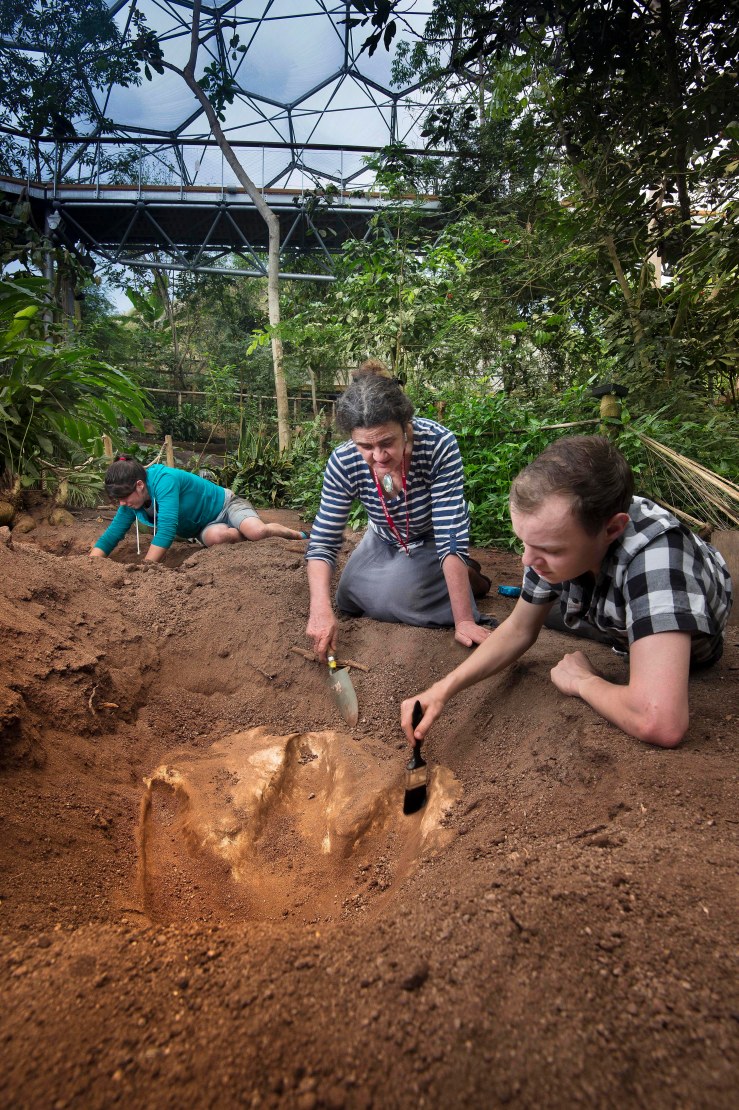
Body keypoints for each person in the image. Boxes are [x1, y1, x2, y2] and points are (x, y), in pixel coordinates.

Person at [401, 435, 733, 749]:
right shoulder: (559, 538)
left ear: (612, 529)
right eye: (524, 542)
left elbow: (660, 721)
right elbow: (518, 629)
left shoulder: (658, 560)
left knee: (569, 613)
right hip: (607, 605)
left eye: (550, 549)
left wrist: (582, 681)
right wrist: (441, 690)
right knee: (549, 611)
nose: (526, 560)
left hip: (689, 646)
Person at [305, 365, 494, 658]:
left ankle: (466, 578)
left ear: (406, 426)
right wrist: (320, 611)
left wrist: (465, 620)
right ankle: (443, 578)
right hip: (383, 537)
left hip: (431, 539)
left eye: (387, 443)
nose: (378, 457)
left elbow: (449, 533)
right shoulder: (343, 461)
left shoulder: (437, 444)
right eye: (365, 446)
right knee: (347, 598)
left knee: (396, 594)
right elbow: (323, 541)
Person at [90, 455, 306, 564]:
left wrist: (146, 567)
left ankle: (298, 534)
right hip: (204, 527)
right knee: (219, 536)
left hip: (226, 505)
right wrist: (90, 563)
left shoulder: (165, 480)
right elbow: (113, 534)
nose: (122, 503)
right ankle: (243, 533)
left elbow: (166, 528)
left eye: (123, 498)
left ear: (139, 485)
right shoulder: (132, 500)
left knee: (257, 531)